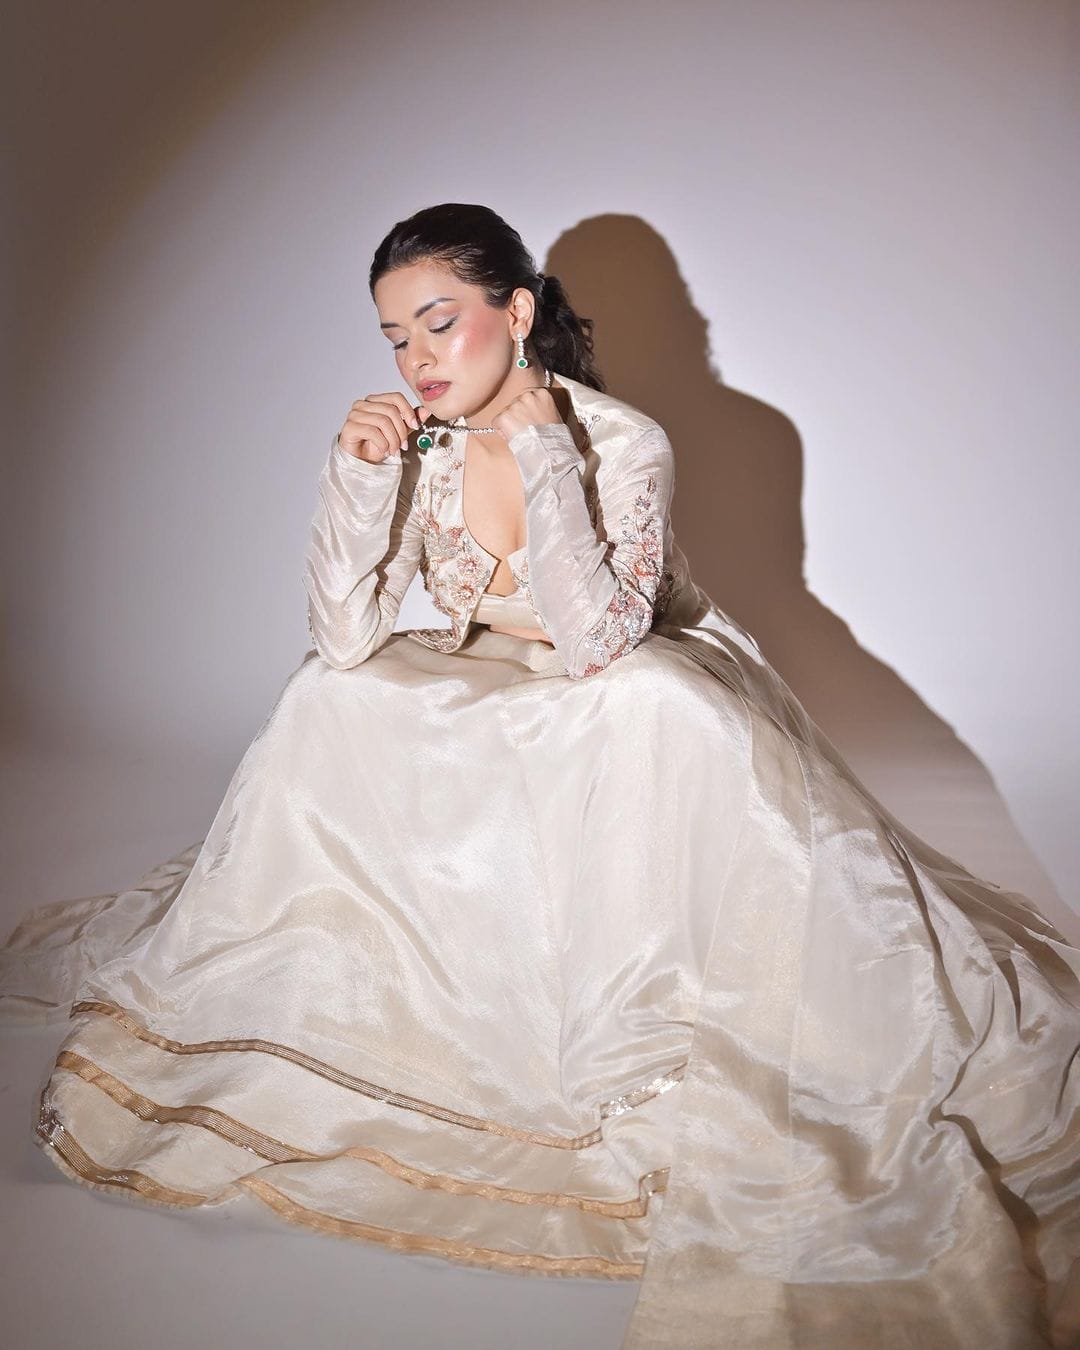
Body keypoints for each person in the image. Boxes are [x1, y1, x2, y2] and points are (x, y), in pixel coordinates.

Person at [1, 202, 1077, 1350]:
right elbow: (348, 635)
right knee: (330, 695)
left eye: (440, 323)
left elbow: (599, 640)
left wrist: (546, 454)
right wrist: (356, 478)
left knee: (649, 703)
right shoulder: (420, 442)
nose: (418, 359)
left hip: (626, 672)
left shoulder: (624, 441)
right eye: (395, 337)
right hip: (495, 674)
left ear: (516, 313)